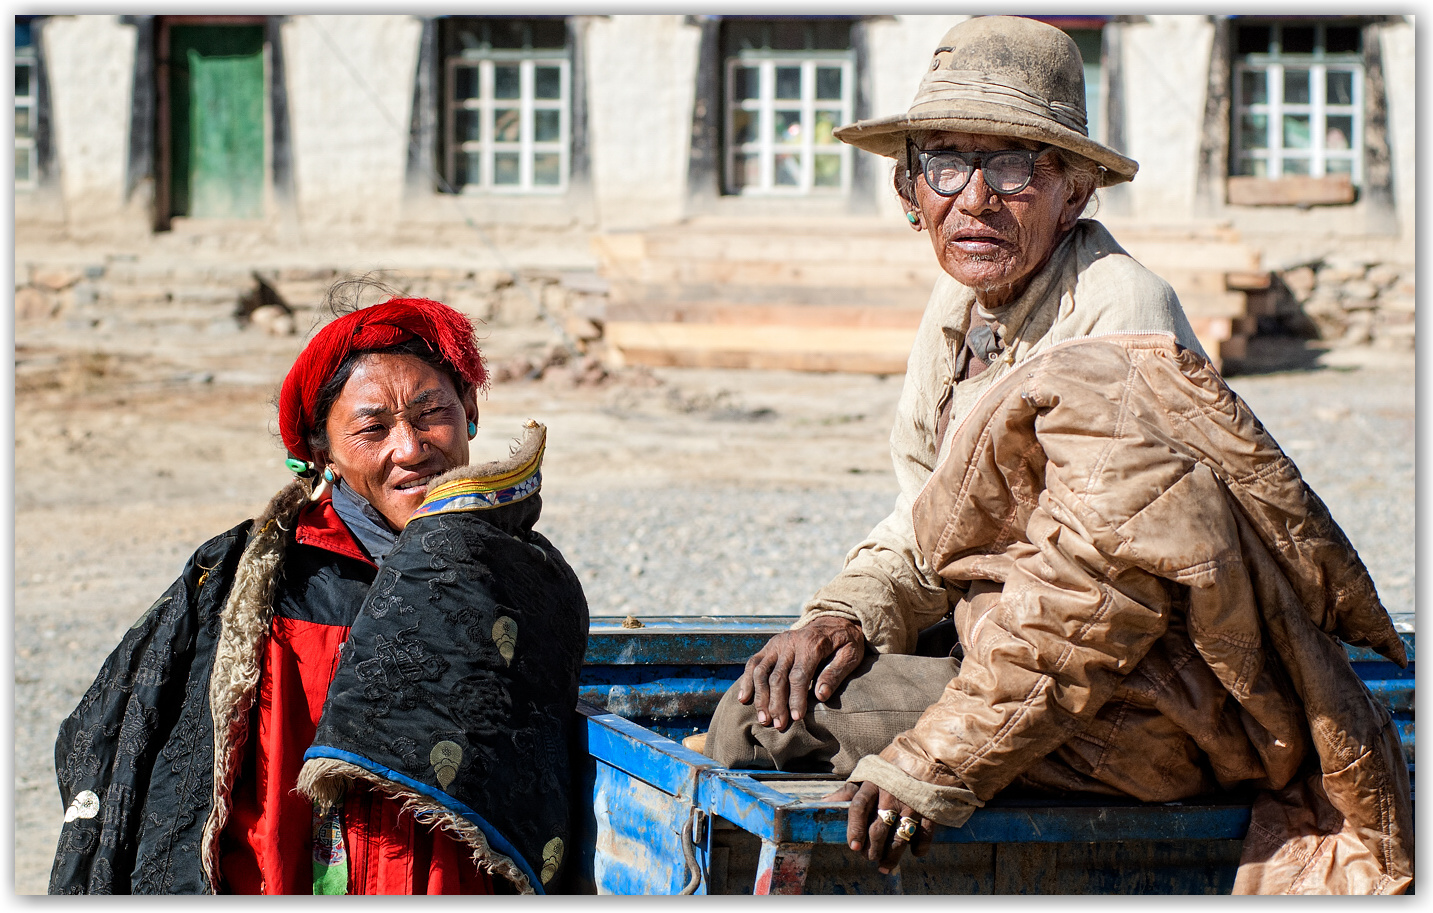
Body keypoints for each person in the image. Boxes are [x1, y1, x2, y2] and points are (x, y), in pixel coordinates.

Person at [704, 16, 1411, 894]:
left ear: (1072, 194)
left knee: (756, 725)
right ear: (908, 190)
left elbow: (1098, 593)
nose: (974, 198)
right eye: (946, 163)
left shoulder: (1120, 319)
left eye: (1013, 166)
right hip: (1044, 661)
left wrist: (937, 758)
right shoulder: (964, 308)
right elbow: (928, 516)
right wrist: (844, 612)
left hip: (1148, 703)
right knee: (793, 673)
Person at [50, 292, 589, 895]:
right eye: (372, 428)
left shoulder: (522, 575)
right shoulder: (260, 586)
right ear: (320, 450)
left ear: (470, 413)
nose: (410, 448)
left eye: (432, 412)